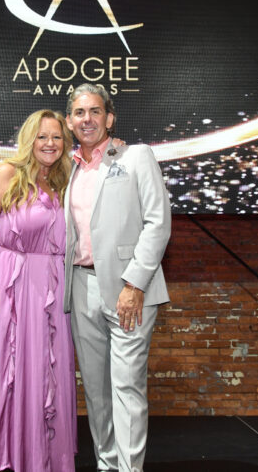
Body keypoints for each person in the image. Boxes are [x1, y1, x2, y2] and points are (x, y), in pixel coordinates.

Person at [0, 110, 77, 472]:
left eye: (57, 137)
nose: (50, 143)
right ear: (29, 139)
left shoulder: (65, 180)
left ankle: (42, 455)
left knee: (47, 371)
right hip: (11, 285)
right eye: (42, 136)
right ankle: (4, 451)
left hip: (53, 289)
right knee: (8, 369)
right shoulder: (8, 173)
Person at [63, 83, 171, 472]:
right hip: (81, 287)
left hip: (129, 289)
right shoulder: (67, 167)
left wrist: (135, 284)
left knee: (127, 386)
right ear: (70, 121)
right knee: (96, 390)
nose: (87, 119)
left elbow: (158, 223)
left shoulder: (137, 156)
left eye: (95, 111)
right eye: (79, 112)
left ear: (109, 118)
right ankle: (107, 464)